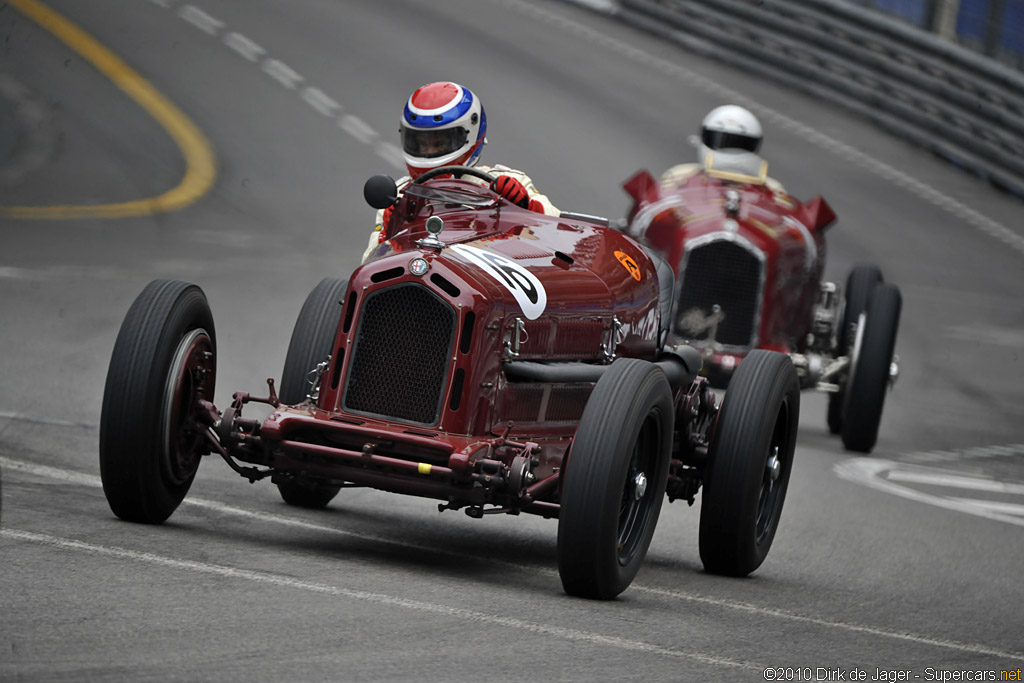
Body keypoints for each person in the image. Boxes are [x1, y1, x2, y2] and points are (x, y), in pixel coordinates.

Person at [362, 81, 559, 262]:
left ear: (469, 135)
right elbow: (370, 263)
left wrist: (524, 205)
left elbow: (558, 228)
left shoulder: (504, 181)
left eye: (439, 143)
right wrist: (390, 229)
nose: (429, 152)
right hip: (418, 280)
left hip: (485, 282)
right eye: (421, 144)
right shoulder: (398, 195)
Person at [660, 104, 786, 194]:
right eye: (721, 141)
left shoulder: (774, 189)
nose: (730, 150)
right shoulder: (679, 175)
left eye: (738, 143)